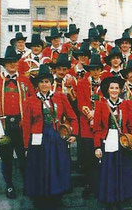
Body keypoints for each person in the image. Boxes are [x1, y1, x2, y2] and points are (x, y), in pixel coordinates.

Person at [0, 46, 34, 199]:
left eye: (15, 61)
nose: (13, 64)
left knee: (24, 157)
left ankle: (27, 185)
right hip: (3, 127)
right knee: (6, 158)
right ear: (4, 64)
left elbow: (32, 100)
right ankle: (9, 185)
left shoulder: (25, 80)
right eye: (9, 62)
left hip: (21, 126)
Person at [22, 64, 78, 209]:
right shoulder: (30, 100)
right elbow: (26, 124)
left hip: (56, 138)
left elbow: (72, 117)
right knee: (39, 168)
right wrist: (26, 146)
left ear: (51, 83)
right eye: (41, 82)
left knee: (57, 167)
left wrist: (73, 133)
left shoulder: (60, 97)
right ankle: (40, 198)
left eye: (47, 81)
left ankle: (56, 196)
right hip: (38, 140)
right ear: (38, 84)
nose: (44, 84)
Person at [93, 76, 132, 209]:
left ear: (120, 90)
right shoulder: (101, 105)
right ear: (107, 90)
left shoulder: (126, 104)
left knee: (122, 171)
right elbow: (97, 128)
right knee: (109, 172)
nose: (114, 90)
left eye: (116, 88)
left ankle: (120, 199)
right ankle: (109, 200)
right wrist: (97, 146)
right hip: (107, 142)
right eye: (111, 88)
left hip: (123, 142)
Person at [77, 53, 104, 199]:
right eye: (92, 69)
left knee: (100, 156)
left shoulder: (104, 83)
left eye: (97, 69)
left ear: (100, 70)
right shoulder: (82, 83)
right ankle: (89, 185)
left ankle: (100, 184)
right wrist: (90, 114)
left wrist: (98, 115)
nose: (95, 72)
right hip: (87, 126)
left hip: (101, 126)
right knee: (88, 157)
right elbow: (81, 103)